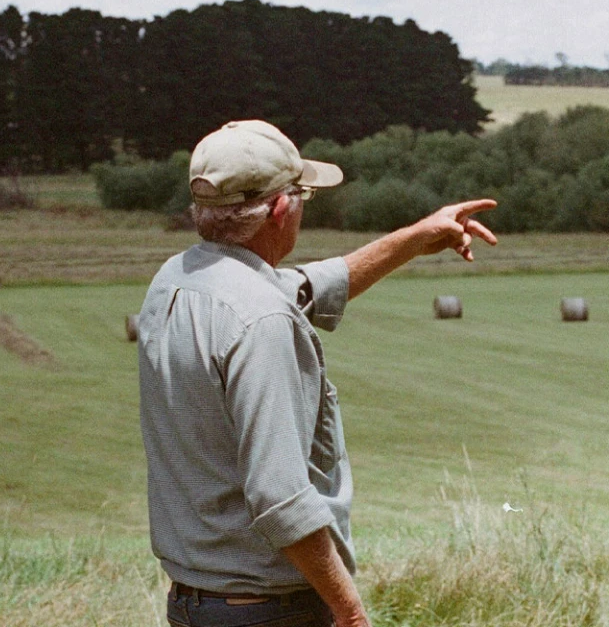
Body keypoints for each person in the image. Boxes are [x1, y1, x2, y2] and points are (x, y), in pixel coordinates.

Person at [138, 120, 497, 627]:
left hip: (197, 605)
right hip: (270, 613)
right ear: (282, 209)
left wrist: (416, 238)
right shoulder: (262, 320)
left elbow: (306, 285)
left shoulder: (176, 280)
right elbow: (281, 499)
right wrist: (349, 612)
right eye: (302, 194)